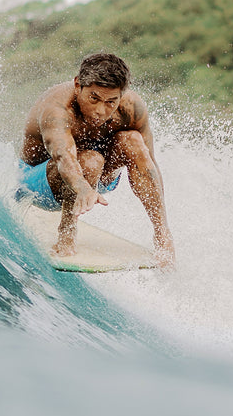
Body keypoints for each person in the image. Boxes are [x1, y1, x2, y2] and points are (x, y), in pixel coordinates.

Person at [15, 53, 175, 268]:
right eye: (94, 98)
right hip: (38, 181)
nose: (101, 110)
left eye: (111, 102)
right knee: (90, 160)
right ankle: (67, 234)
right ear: (78, 84)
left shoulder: (131, 109)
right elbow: (63, 156)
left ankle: (162, 236)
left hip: (97, 179)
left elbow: (149, 165)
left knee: (134, 141)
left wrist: (162, 229)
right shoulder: (57, 108)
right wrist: (82, 187)